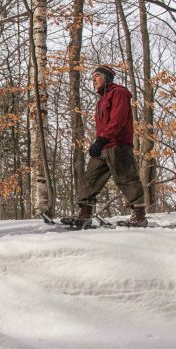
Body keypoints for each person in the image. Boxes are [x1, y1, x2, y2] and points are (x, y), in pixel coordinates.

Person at [73, 65, 148, 228]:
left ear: (107, 77)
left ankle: (139, 215)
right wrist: (99, 142)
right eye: (93, 76)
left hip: (118, 145)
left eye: (97, 75)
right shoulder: (101, 99)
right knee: (90, 178)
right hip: (103, 145)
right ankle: (85, 213)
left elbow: (118, 120)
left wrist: (102, 139)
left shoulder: (119, 92)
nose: (94, 79)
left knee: (126, 178)